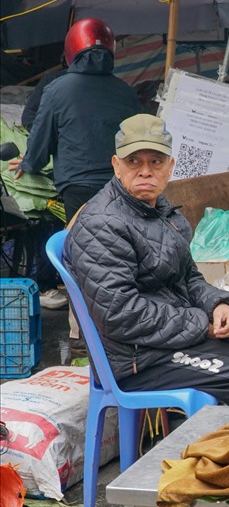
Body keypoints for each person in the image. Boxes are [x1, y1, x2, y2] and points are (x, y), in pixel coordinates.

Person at [64, 114, 229, 406]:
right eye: (134, 161)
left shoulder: (162, 211)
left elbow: (189, 277)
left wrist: (218, 304)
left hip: (177, 329)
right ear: (116, 166)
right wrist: (202, 324)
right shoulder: (102, 224)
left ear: (170, 167)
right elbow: (119, 314)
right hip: (137, 358)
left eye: (156, 162)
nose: (145, 171)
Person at [11, 18, 140, 311]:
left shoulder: (57, 89)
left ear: (71, 50)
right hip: (120, 185)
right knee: (120, 252)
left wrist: (29, 163)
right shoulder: (125, 91)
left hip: (78, 187)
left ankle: (83, 332)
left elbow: (40, 137)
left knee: (84, 256)